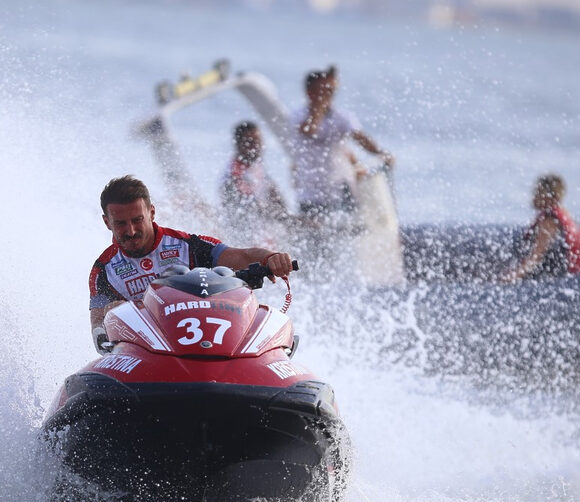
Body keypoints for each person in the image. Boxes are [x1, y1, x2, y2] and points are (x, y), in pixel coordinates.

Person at [89, 175, 295, 347]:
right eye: (121, 224)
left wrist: (270, 257)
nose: (131, 231)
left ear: (151, 213)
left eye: (137, 220)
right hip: (148, 356)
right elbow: (98, 330)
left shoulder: (188, 245)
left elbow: (242, 256)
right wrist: (111, 320)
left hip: (208, 343)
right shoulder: (104, 270)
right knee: (112, 310)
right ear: (107, 222)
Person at [290, 65, 393, 224]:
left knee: (346, 233)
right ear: (310, 93)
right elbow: (309, 130)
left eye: (331, 91)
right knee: (313, 238)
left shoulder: (342, 117)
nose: (329, 96)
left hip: (341, 189)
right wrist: (318, 108)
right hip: (310, 192)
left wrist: (381, 153)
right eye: (323, 91)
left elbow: (360, 138)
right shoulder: (297, 115)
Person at [502, 173, 580, 282]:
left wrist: (509, 279)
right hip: (573, 278)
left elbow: (536, 258)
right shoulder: (565, 215)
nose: (533, 196)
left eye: (538, 192)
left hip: (556, 279)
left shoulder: (549, 220)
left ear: (551, 196)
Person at [220, 121, 294, 242]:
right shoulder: (233, 175)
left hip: (265, 239)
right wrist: (292, 221)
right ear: (238, 145)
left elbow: (276, 198)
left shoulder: (256, 167)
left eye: (258, 141)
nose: (256, 146)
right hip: (245, 245)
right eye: (250, 142)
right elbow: (252, 208)